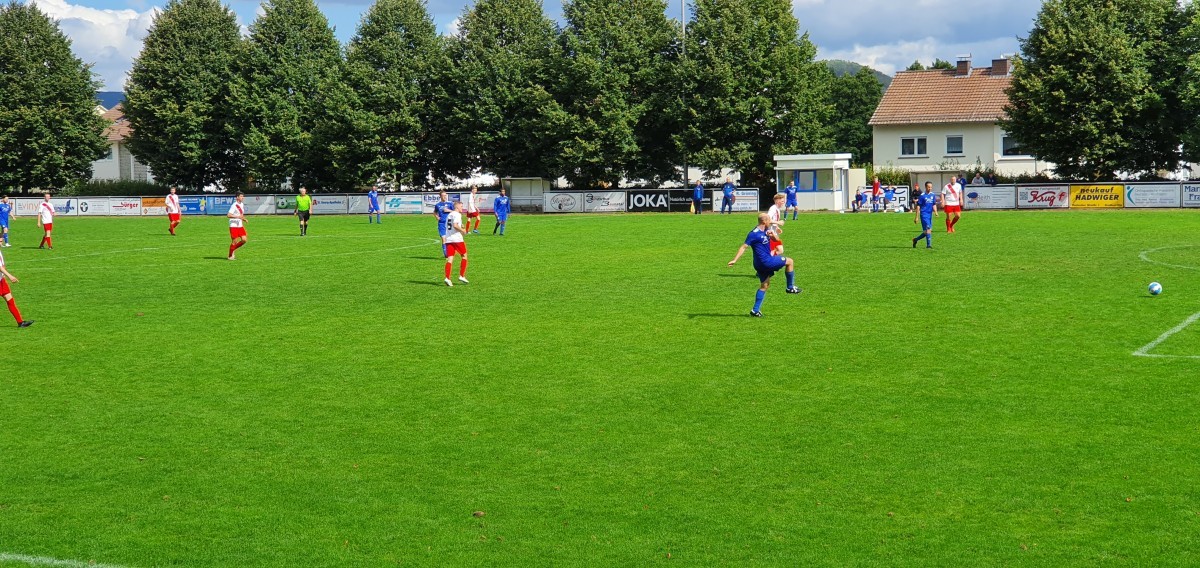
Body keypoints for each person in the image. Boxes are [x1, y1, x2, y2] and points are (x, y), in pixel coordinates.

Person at [727, 212, 801, 317]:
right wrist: (735, 260)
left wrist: (772, 235)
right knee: (790, 261)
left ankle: (755, 310)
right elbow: (744, 247)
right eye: (769, 220)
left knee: (764, 285)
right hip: (766, 262)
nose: (770, 222)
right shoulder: (753, 234)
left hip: (759, 264)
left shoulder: (766, 230)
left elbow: (777, 240)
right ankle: (790, 287)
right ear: (764, 221)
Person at [0, 249, 33, 327]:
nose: (1, 243)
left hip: (1, 281)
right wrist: (10, 276)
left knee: (10, 301)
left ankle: (20, 322)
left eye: (1, 241)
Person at [443, 201, 469, 286]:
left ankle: (447, 278)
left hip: (449, 239)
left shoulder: (449, 215)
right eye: (461, 206)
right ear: (457, 207)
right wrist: (463, 230)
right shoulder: (457, 214)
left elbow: (449, 226)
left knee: (450, 259)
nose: (462, 208)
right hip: (457, 239)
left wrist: (460, 226)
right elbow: (455, 225)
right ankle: (461, 276)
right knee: (464, 256)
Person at [912, 182, 938, 249]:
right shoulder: (922, 195)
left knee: (927, 231)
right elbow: (918, 206)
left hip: (929, 215)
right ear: (925, 187)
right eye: (928, 187)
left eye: (931, 187)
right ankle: (928, 245)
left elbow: (934, 204)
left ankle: (915, 240)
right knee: (928, 229)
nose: (930, 188)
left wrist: (936, 212)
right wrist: (916, 217)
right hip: (923, 214)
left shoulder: (933, 195)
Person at [227, 192, 248, 260]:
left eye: (243, 196)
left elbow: (240, 215)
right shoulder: (234, 205)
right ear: (237, 197)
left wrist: (243, 219)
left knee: (244, 240)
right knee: (234, 241)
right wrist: (237, 217)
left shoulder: (241, 204)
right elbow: (229, 215)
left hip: (240, 225)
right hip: (233, 225)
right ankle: (230, 256)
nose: (243, 197)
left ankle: (232, 250)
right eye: (241, 196)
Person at [434, 191, 454, 256]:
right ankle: (446, 254)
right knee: (443, 239)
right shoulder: (438, 205)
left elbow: (456, 212)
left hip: (449, 223)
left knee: (450, 239)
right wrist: (436, 216)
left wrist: (449, 210)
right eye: (443, 195)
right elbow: (435, 212)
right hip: (441, 224)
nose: (444, 197)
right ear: (440, 196)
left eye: (445, 195)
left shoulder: (450, 204)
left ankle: (450, 251)